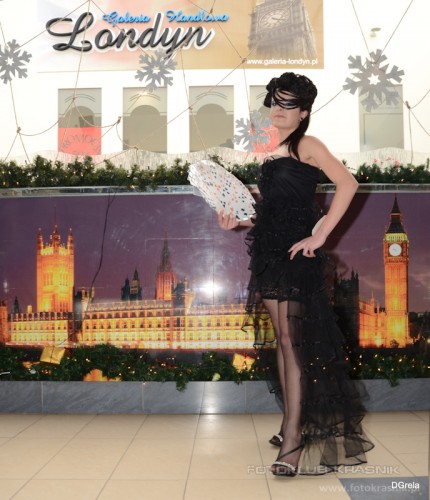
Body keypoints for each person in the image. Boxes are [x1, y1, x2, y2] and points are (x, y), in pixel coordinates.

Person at [218, 72, 374, 476]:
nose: (278, 109)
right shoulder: (272, 151)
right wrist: (236, 220)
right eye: (275, 101)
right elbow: (268, 212)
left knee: (291, 342)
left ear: (304, 112)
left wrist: (321, 235)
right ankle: (291, 421)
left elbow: (348, 184)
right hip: (269, 253)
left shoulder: (309, 144)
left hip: (295, 254)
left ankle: (293, 437)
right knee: (283, 342)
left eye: (288, 104)